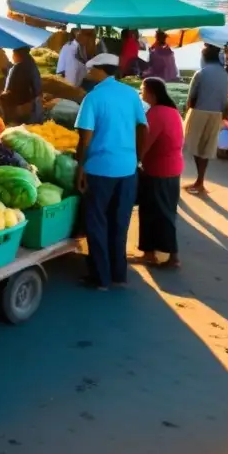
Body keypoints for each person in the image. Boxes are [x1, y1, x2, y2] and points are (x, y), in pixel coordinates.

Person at [74, 54, 148, 290]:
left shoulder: (93, 97)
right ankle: (118, 275)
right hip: (127, 169)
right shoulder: (129, 94)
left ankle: (100, 278)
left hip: (100, 169)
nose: (88, 73)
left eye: (91, 70)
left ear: (99, 71)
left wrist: (80, 167)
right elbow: (142, 127)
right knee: (120, 222)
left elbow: (84, 138)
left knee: (96, 223)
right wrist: (138, 156)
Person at [136, 78, 184, 268]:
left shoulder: (156, 113)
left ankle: (169, 256)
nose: (141, 93)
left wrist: (135, 162)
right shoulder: (172, 111)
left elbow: (144, 143)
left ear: (152, 93)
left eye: (142, 90)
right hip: (173, 168)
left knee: (154, 212)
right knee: (165, 211)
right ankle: (154, 253)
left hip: (159, 170)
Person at [183, 44, 228, 195]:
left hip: (199, 112)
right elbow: (226, 100)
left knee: (194, 147)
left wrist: (188, 112)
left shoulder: (201, 73)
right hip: (217, 114)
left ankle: (198, 182)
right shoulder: (225, 75)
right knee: (206, 148)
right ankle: (200, 181)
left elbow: (191, 98)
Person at [0, 46, 43, 124]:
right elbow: (37, 88)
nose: (12, 57)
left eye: (13, 54)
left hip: (22, 108)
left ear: (17, 55)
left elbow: (11, 90)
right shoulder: (33, 65)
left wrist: (2, 96)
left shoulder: (17, 68)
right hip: (34, 107)